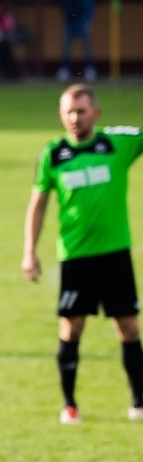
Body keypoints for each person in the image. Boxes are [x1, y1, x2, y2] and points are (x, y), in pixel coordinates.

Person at [23, 84, 143, 424]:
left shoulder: (116, 143)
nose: (75, 118)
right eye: (68, 112)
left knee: (129, 327)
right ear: (61, 115)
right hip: (75, 256)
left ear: (96, 113)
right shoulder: (53, 155)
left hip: (115, 253)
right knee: (72, 328)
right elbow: (38, 203)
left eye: (81, 111)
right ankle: (70, 404)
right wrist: (29, 251)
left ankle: (139, 401)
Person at [56, 0, 97, 82]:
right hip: (70, 23)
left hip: (81, 22)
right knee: (67, 48)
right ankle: (64, 70)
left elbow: (89, 8)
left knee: (86, 48)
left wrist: (87, 21)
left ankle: (90, 70)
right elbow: (64, 6)